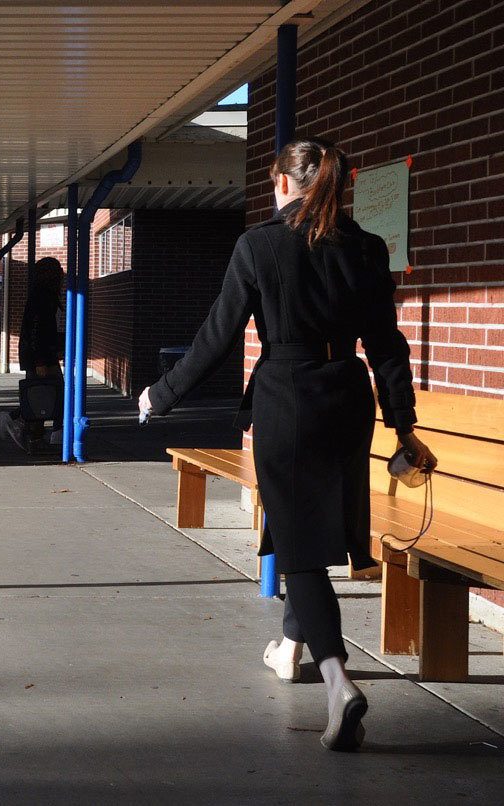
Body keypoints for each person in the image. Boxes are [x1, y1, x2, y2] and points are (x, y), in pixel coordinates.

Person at [137, 138, 436, 752]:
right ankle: (292, 646)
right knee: (309, 532)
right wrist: (404, 426)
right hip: (348, 399)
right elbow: (387, 345)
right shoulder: (367, 249)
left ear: (282, 184)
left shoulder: (259, 246)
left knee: (298, 548)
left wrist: (160, 395)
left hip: (287, 401)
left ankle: (337, 682)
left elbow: (218, 335)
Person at [0, 258, 64, 451]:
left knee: (41, 394)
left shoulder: (42, 294)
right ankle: (18, 421)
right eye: (57, 270)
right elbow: (36, 329)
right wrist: (40, 360)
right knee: (53, 393)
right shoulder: (43, 296)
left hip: (38, 354)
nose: (61, 273)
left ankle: (32, 433)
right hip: (40, 356)